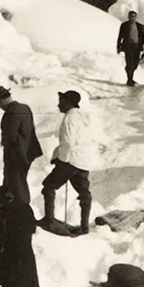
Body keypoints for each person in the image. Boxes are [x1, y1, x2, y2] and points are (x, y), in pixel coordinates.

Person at [41, 90, 98, 233]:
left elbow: (67, 142)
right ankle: (84, 227)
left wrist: (61, 160)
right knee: (84, 193)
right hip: (84, 160)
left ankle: (49, 220)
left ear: (69, 103)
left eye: (61, 101)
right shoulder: (84, 118)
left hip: (71, 159)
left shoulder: (69, 118)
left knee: (48, 186)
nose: (58, 104)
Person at [0, 85, 42, 206]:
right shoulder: (25, 107)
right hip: (27, 152)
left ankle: (21, 213)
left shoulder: (11, 111)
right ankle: (16, 211)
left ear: (1, 100)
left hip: (16, 154)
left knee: (16, 185)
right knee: (19, 183)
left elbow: (10, 136)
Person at [116, 10, 144, 86]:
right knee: (130, 63)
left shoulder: (139, 26)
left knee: (135, 63)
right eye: (131, 16)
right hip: (128, 46)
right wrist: (118, 46)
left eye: (134, 16)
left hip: (136, 46)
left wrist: (141, 45)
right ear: (128, 17)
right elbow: (120, 36)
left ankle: (129, 73)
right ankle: (129, 80)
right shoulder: (124, 25)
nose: (132, 18)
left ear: (136, 17)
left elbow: (142, 36)